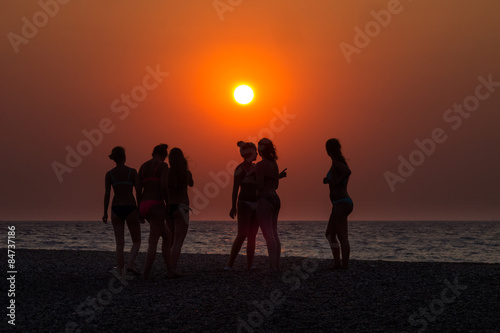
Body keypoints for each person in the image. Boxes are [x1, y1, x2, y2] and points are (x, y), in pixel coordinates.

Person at [138, 144, 176, 279]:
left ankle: (170, 270)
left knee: (167, 236)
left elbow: (138, 189)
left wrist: (139, 208)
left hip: (144, 204)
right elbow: (164, 186)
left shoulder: (142, 167)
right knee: (153, 240)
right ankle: (145, 273)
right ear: (164, 155)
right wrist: (168, 203)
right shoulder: (163, 166)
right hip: (156, 204)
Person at [102, 146, 141, 276]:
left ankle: (121, 271)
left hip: (116, 208)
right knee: (136, 240)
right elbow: (138, 192)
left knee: (120, 243)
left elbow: (107, 194)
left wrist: (105, 212)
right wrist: (140, 209)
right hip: (130, 207)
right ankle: (130, 265)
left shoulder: (110, 174)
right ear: (124, 157)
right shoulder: (132, 172)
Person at [225, 141, 259, 271]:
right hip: (244, 203)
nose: (257, 153)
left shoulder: (257, 168)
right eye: (255, 151)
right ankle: (230, 264)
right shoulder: (240, 169)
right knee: (242, 234)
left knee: (253, 235)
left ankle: (250, 264)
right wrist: (233, 207)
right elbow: (235, 190)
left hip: (256, 204)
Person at [256, 138, 287, 272]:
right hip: (275, 198)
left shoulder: (260, 165)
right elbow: (276, 185)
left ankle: (272, 267)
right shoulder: (274, 163)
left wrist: (252, 178)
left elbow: (259, 186)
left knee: (268, 235)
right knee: (274, 234)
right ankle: (276, 265)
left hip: (264, 199)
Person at [323, 138, 353, 269]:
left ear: (329, 150)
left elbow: (347, 172)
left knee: (341, 235)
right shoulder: (336, 162)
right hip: (338, 203)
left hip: (341, 203)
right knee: (330, 234)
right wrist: (328, 180)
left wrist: (336, 181)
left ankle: (343, 266)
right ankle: (337, 264)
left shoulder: (336, 163)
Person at [166, 148, 194, 272]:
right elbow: (191, 184)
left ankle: (169, 267)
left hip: (169, 206)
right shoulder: (186, 173)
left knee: (171, 240)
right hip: (182, 207)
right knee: (178, 241)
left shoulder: (166, 172)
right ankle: (172, 269)